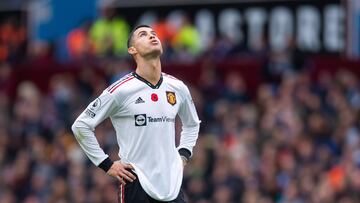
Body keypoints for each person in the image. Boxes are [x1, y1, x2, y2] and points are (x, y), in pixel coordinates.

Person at [71, 25, 201, 203]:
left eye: (154, 34)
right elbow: (81, 125)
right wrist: (106, 164)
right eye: (143, 35)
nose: (152, 36)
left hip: (172, 183)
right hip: (136, 181)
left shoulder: (177, 87)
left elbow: (192, 123)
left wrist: (184, 153)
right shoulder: (121, 90)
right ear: (132, 50)